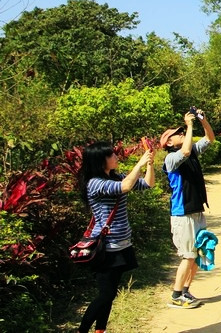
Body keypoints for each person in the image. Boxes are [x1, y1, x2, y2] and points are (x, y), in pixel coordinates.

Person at [78, 141, 155, 333]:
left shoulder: (115, 177)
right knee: (105, 294)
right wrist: (139, 164)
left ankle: (100, 330)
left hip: (122, 245)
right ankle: (82, 329)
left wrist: (150, 164)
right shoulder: (95, 183)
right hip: (105, 248)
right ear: (100, 160)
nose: (116, 157)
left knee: (110, 294)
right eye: (111, 155)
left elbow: (147, 184)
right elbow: (126, 186)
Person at [160, 108, 215, 309]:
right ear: (168, 143)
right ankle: (176, 295)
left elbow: (210, 138)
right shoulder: (171, 159)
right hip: (182, 214)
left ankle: (185, 291)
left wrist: (203, 120)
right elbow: (184, 151)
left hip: (196, 210)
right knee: (188, 255)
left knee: (198, 253)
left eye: (182, 131)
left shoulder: (191, 152)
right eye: (177, 134)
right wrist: (190, 125)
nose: (182, 133)